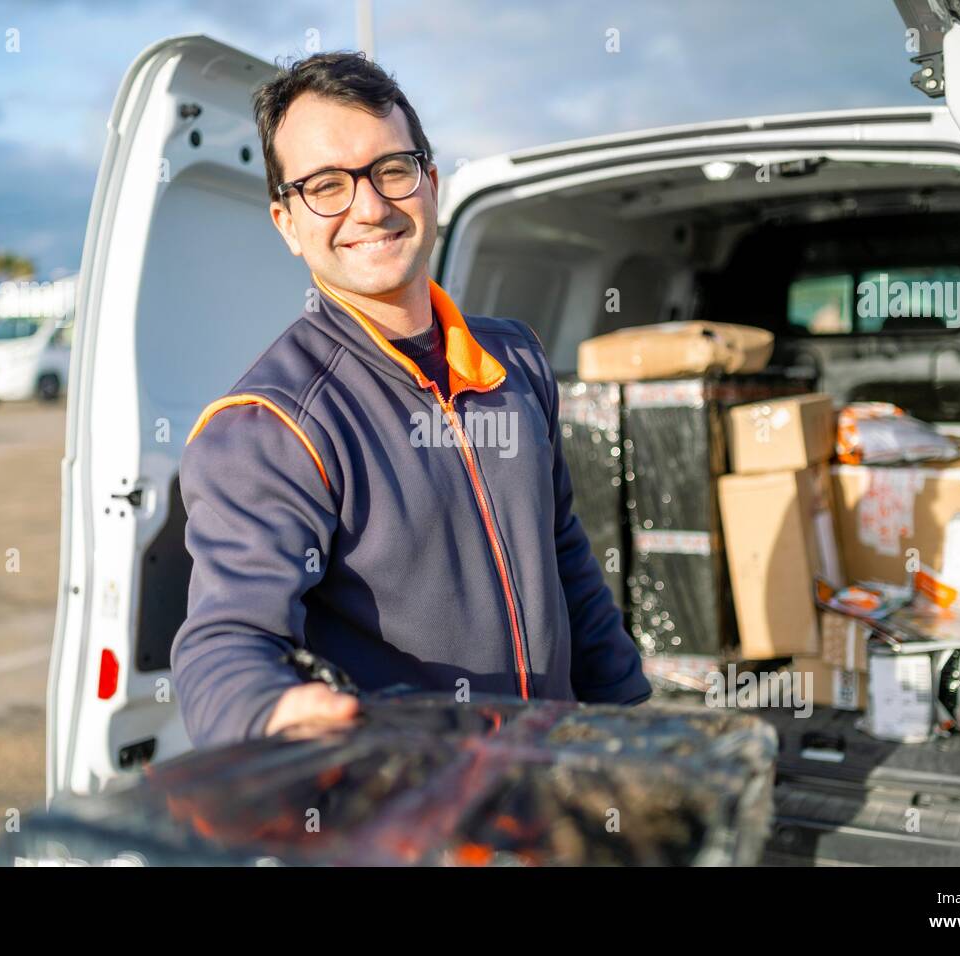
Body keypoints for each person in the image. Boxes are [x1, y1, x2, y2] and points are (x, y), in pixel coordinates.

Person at [171, 50, 650, 747]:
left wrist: (633, 719)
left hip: (549, 779)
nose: (369, 207)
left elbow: (565, 555)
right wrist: (261, 713)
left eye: (390, 170)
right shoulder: (270, 425)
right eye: (326, 186)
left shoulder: (513, 358)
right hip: (415, 814)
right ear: (286, 222)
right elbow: (226, 637)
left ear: (429, 182)